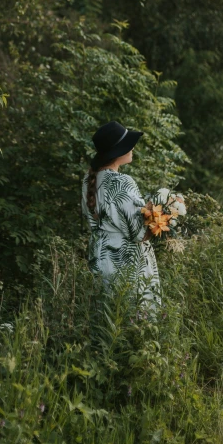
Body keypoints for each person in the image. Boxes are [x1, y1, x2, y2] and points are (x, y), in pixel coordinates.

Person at [82, 121, 160, 311]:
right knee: (135, 320)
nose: (132, 148)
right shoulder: (122, 182)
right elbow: (139, 233)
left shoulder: (87, 180)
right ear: (118, 151)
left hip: (100, 258)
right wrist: (162, 218)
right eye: (128, 145)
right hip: (126, 262)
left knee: (106, 320)